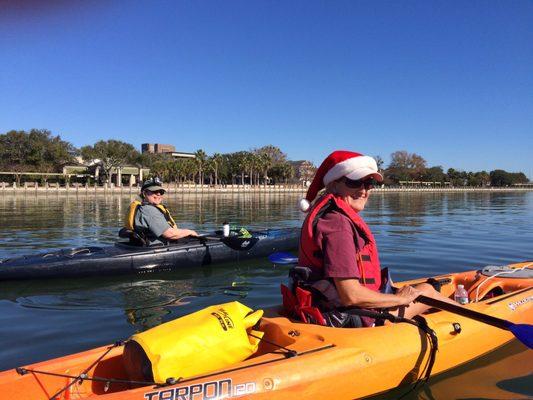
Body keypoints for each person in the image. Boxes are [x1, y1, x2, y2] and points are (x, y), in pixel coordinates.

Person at [292, 150, 458, 327]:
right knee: (427, 292)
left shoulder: (329, 216)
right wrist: (397, 299)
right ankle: (476, 317)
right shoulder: (338, 224)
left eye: (369, 183)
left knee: (424, 290)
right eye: (354, 182)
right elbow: (351, 296)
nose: (363, 190)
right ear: (333, 185)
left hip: (329, 311)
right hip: (355, 319)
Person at [123, 178, 198, 245]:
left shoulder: (140, 207)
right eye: (154, 191)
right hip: (154, 247)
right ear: (144, 193)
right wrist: (190, 232)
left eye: (161, 192)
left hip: (140, 245)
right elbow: (169, 234)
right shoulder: (149, 210)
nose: (158, 194)